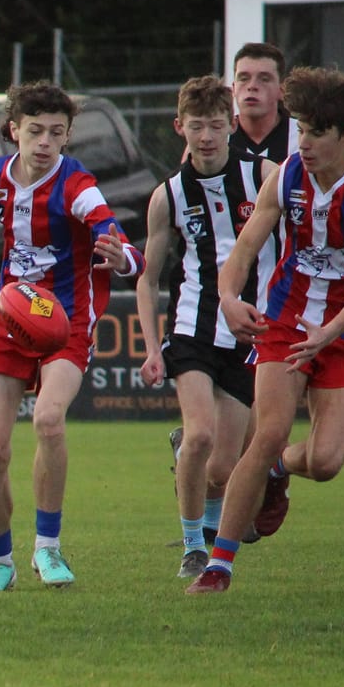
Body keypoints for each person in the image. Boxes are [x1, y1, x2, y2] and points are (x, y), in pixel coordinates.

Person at [0, 81, 145, 592]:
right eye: (35, 130)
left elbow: (115, 235)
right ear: (13, 130)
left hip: (66, 321)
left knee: (48, 419)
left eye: (56, 133)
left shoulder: (76, 184)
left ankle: (48, 548)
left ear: (68, 136)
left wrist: (124, 257)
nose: (45, 142)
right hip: (9, 320)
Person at [187, 67, 344, 593]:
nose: (302, 142)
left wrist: (329, 333)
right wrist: (230, 299)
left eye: (316, 133)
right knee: (269, 432)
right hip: (285, 319)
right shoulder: (286, 176)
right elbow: (243, 250)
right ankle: (218, 566)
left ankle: (278, 470)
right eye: (300, 129)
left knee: (324, 462)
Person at [134, 77, 273, 577]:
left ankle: (208, 508)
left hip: (248, 330)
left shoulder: (265, 177)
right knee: (200, 437)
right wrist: (153, 348)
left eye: (216, 125)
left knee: (221, 467)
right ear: (180, 128)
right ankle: (194, 547)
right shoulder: (167, 195)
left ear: (232, 124)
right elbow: (148, 278)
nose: (207, 136)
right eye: (197, 126)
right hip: (192, 325)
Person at [231, 42, 300, 165]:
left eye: (264, 79)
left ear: (282, 90)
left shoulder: (301, 138)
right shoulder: (219, 137)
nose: (252, 86)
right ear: (233, 88)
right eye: (244, 78)